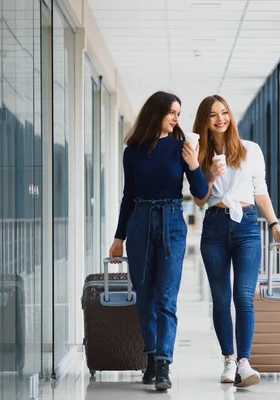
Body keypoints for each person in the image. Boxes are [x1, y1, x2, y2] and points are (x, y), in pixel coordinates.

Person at [109, 91, 208, 391]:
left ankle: (163, 364)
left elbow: (201, 193)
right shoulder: (133, 152)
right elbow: (128, 197)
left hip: (172, 224)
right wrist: (118, 237)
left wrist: (193, 163)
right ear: (157, 113)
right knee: (145, 296)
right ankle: (151, 357)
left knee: (166, 297)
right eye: (172, 112)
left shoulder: (182, 148)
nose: (177, 118)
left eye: (179, 113)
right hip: (140, 222)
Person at [193, 95, 280, 388]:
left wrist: (274, 225)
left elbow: (260, 190)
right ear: (205, 121)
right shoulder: (199, 155)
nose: (220, 118)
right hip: (214, 227)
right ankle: (228, 359)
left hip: (246, 225)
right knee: (221, 298)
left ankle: (245, 363)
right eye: (212, 115)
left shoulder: (250, 150)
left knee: (244, 296)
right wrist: (208, 176)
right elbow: (199, 201)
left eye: (224, 112)